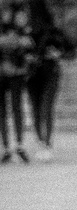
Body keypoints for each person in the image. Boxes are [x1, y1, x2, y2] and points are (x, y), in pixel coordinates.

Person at [23, 1, 67, 161]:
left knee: (45, 108)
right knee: (36, 108)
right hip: (32, 74)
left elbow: (69, 51)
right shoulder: (26, 31)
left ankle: (46, 143)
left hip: (50, 73)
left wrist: (57, 54)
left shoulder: (53, 32)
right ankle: (41, 142)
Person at [0, 3, 34, 164]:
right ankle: (6, 147)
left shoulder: (23, 30)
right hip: (2, 73)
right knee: (2, 111)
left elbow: (30, 46)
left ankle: (19, 145)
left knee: (17, 108)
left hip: (17, 74)